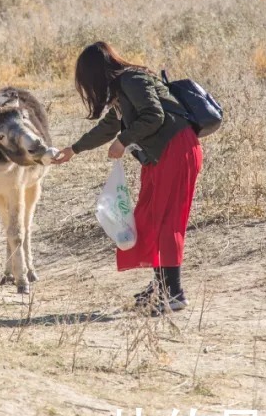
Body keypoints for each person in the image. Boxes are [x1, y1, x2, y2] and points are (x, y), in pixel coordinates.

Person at [52, 42, 203, 315]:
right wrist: (73, 150)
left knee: (167, 220)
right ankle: (161, 285)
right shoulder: (123, 90)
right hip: (161, 155)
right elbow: (109, 126)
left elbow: (153, 116)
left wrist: (123, 141)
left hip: (177, 149)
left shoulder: (132, 79)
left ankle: (174, 293)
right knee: (150, 217)